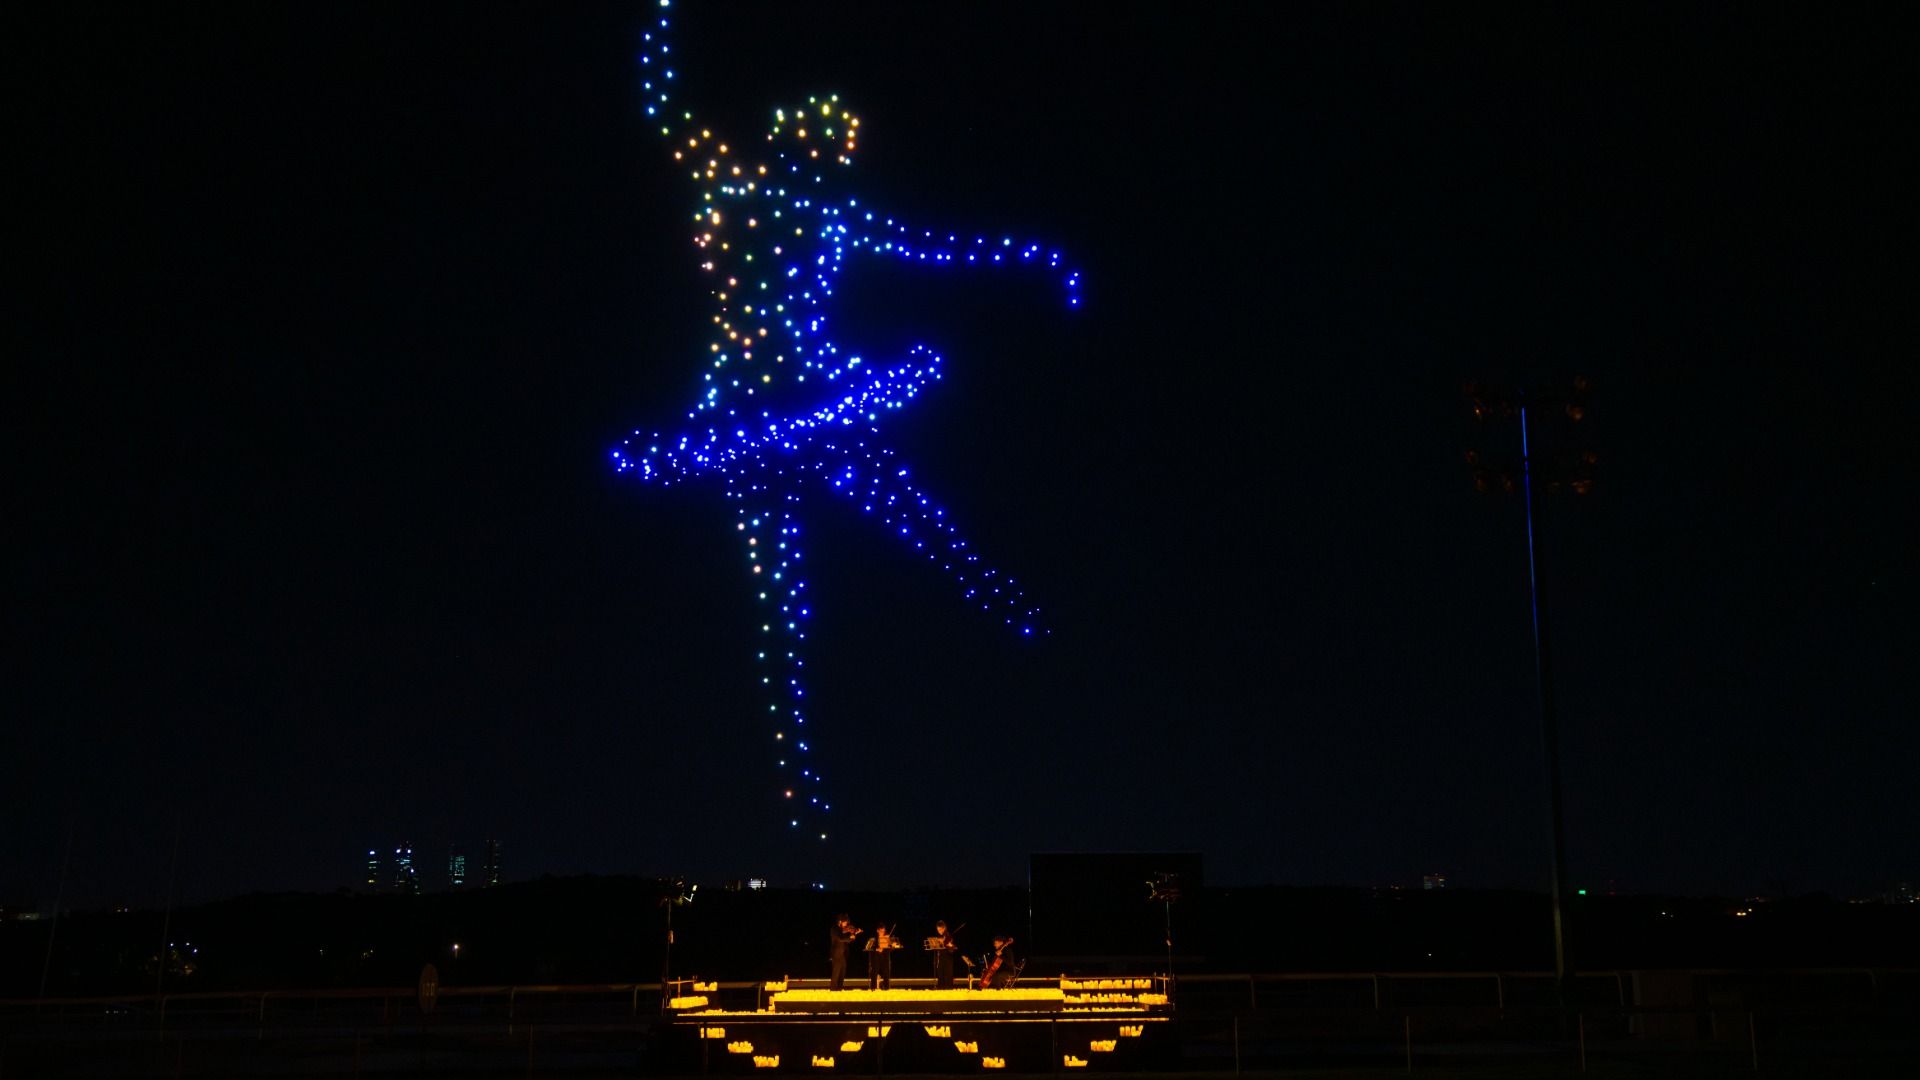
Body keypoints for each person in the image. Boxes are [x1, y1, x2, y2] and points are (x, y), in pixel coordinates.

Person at [828, 914, 860, 991]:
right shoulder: (834, 929)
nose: (846, 924)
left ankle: (839, 987)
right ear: (840, 921)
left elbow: (847, 940)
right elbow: (840, 938)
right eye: (845, 922)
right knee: (836, 971)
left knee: (843, 970)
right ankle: (833, 988)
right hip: (836, 953)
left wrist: (853, 934)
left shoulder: (842, 930)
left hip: (842, 953)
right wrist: (849, 937)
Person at [866, 924, 898, 990]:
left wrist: (893, 946)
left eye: (883, 931)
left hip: (885, 958)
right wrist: (876, 949)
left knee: (886, 973)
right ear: (877, 930)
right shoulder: (873, 938)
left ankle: (886, 987)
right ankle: (873, 988)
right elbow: (868, 947)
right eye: (881, 931)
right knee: (874, 973)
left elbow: (890, 948)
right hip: (875, 958)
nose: (882, 932)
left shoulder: (887, 937)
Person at [931, 920, 958, 988]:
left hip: (947, 960)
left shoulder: (948, 935)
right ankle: (940, 989)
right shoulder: (941, 936)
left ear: (944, 928)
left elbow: (952, 949)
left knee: (947, 976)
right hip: (941, 959)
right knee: (940, 975)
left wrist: (949, 945)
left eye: (940, 929)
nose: (939, 931)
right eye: (938, 930)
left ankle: (947, 990)